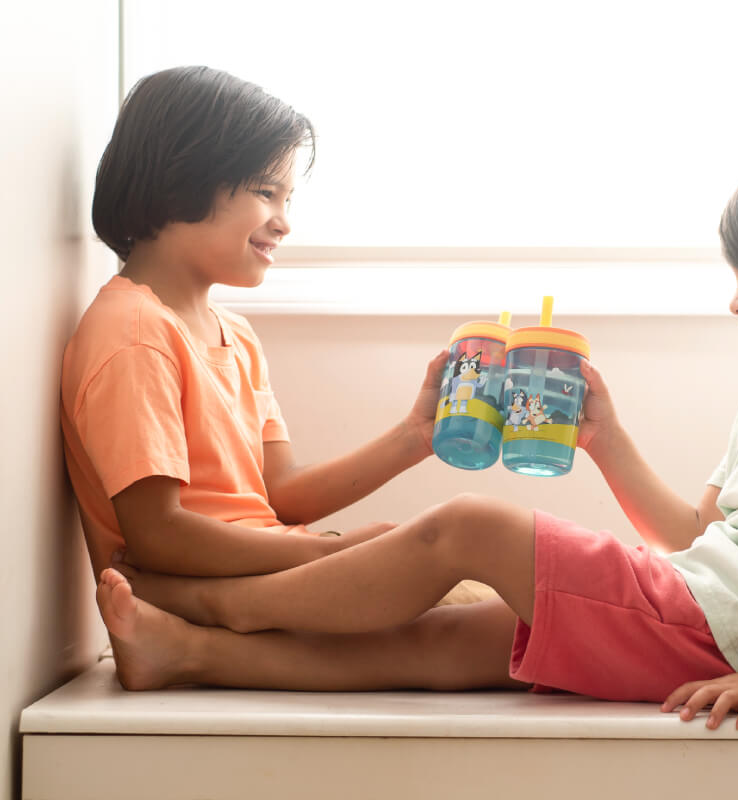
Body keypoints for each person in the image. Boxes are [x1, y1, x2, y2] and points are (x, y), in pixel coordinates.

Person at [95, 136, 738, 731]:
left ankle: (213, 605)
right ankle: (192, 655)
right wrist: (609, 440)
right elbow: (697, 536)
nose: (737, 303)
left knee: (469, 526)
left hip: (715, 632)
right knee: (436, 646)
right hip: (692, 605)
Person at [61, 65, 451, 586]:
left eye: (287, 199)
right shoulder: (134, 334)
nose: (284, 221)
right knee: (467, 543)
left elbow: (280, 493)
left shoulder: (236, 336)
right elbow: (157, 535)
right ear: (182, 181)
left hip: (266, 572)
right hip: (209, 595)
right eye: (267, 192)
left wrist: (415, 437)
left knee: (474, 581)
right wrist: (325, 555)